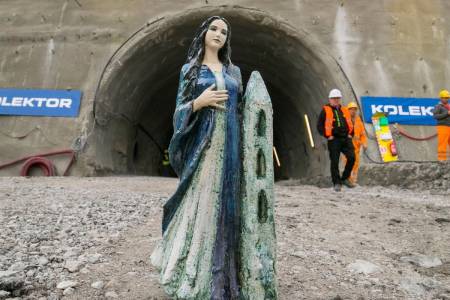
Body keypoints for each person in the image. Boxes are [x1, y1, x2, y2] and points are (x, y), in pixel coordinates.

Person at [150, 16, 244, 299]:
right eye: (214, 29)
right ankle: (192, 268)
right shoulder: (189, 70)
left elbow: (242, 110)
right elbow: (179, 110)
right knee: (202, 200)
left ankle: (224, 275)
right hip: (203, 145)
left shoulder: (234, 71)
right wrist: (197, 103)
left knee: (227, 203)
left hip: (230, 144)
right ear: (203, 33)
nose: (218, 34)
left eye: (224, 31)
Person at [317, 89, 356, 191]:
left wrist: (351, 134)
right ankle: (337, 183)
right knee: (334, 161)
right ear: (330, 99)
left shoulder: (345, 110)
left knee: (352, 157)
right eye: (334, 98)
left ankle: (345, 178)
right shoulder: (325, 110)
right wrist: (327, 136)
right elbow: (319, 125)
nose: (336, 100)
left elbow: (350, 122)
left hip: (346, 138)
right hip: (334, 139)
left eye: (338, 98)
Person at [346, 102, 367, 184]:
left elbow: (363, 135)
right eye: (351, 109)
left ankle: (353, 180)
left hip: (356, 148)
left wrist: (364, 143)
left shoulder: (359, 122)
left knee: (356, 163)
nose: (353, 111)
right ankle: (348, 179)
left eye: (355, 109)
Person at [433, 89, 450, 161]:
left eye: (447, 98)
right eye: (445, 98)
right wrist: (447, 113)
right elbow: (435, 116)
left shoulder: (449, 106)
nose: (446, 99)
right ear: (441, 98)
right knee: (442, 144)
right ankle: (441, 160)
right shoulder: (438, 106)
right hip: (442, 127)